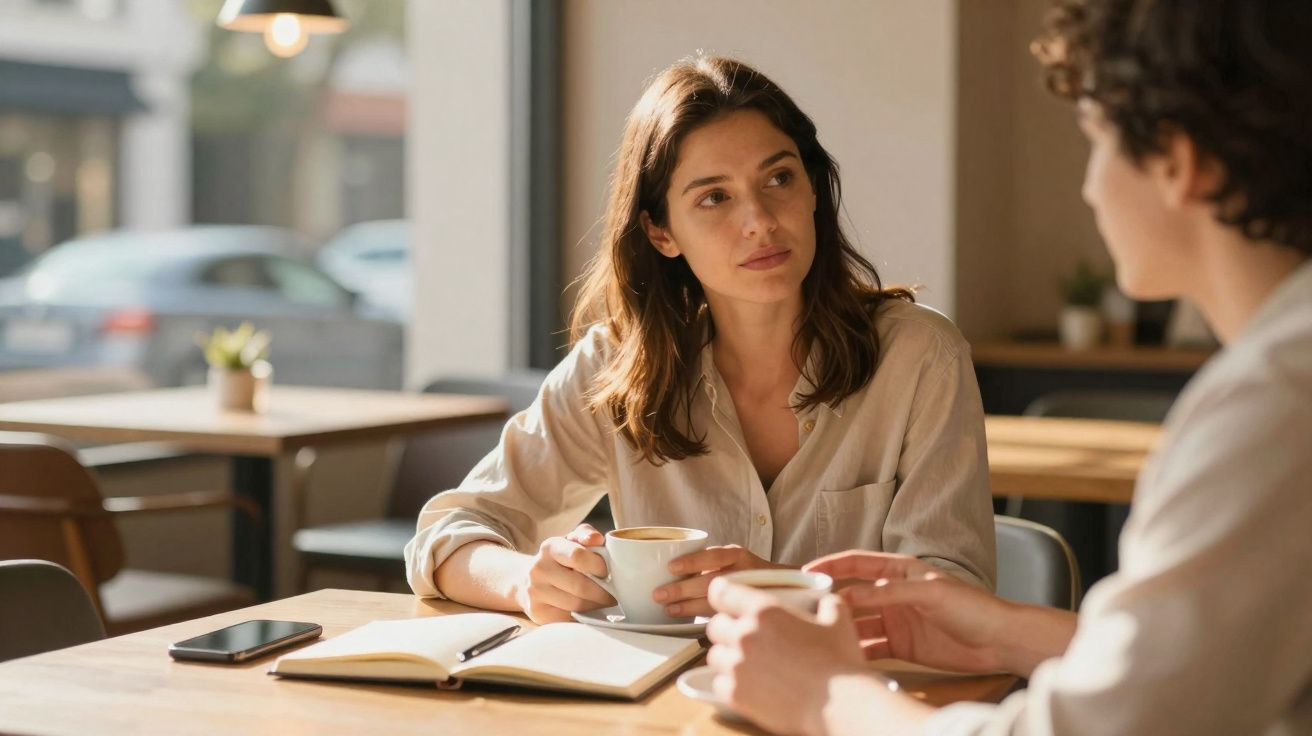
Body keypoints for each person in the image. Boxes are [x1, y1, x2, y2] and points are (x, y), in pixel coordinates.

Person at [704, 1, 1312, 734]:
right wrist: (1003, 631)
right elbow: (1199, 683)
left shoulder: (1275, 407)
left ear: (1179, 164)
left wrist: (826, 698)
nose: (1090, 187)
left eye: (1093, 141)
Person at [403, 55, 996, 625]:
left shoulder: (921, 356)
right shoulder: (616, 366)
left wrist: (780, 591)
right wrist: (523, 580)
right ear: (661, 232)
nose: (760, 219)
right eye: (715, 197)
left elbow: (955, 590)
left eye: (780, 178)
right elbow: (444, 537)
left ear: (814, 190)